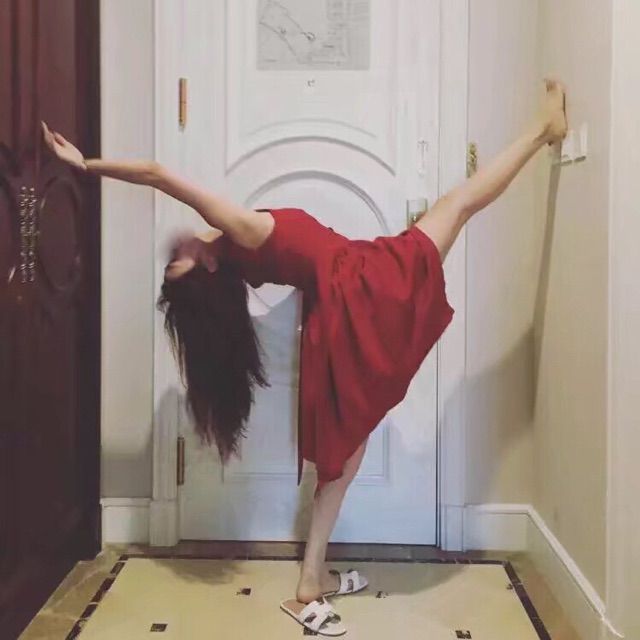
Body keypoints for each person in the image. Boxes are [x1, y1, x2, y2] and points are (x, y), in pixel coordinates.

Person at [42, 79, 567, 637]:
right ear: (208, 270)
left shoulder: (233, 255)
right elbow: (156, 173)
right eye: (180, 261)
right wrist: (85, 165)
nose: (178, 248)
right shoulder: (241, 235)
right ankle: (543, 129)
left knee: (347, 448)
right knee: (457, 205)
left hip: (347, 293)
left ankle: (313, 575)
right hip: (359, 287)